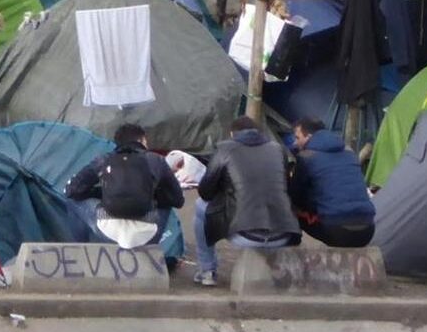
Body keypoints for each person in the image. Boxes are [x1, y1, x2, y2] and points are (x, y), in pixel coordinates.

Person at [192, 116, 300, 286]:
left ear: (231, 134)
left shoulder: (225, 149)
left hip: (246, 234)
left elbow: (205, 192)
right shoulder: (278, 149)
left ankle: (207, 271)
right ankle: (275, 268)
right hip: (284, 234)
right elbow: (285, 187)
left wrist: (225, 191)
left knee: (200, 206)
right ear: (259, 132)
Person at [65, 123, 184, 249]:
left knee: (72, 201)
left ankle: (82, 252)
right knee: (167, 202)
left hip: (109, 233)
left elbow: (71, 190)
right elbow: (178, 200)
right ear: (141, 140)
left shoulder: (104, 160)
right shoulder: (156, 160)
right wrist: (152, 194)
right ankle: (151, 252)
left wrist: (102, 192)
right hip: (148, 235)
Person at [286, 118, 375, 247]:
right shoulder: (349, 153)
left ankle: (292, 258)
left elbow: (295, 196)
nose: (295, 143)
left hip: (336, 230)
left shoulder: (306, 156)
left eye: (297, 137)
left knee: (291, 210)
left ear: (309, 137)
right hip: (368, 229)